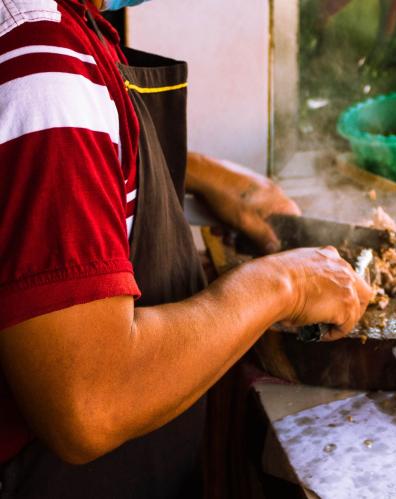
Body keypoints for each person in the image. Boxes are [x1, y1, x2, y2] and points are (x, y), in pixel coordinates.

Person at [0, 0, 373, 497]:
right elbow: (92, 401)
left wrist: (200, 172)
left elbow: (72, 147)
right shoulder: (40, 64)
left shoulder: (56, 26)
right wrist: (286, 283)